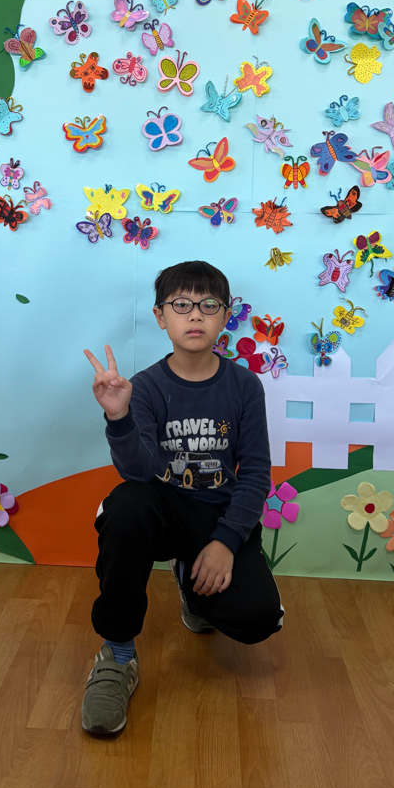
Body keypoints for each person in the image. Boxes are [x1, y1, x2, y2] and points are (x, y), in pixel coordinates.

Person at [81, 260, 283, 735]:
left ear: (226, 315)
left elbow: (255, 473)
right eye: (182, 305)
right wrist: (119, 418)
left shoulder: (244, 386)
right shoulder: (146, 387)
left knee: (257, 620)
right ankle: (118, 654)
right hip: (162, 511)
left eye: (209, 305)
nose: (195, 315)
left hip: (217, 518)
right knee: (126, 505)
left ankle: (193, 586)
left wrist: (226, 542)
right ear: (160, 317)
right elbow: (138, 473)